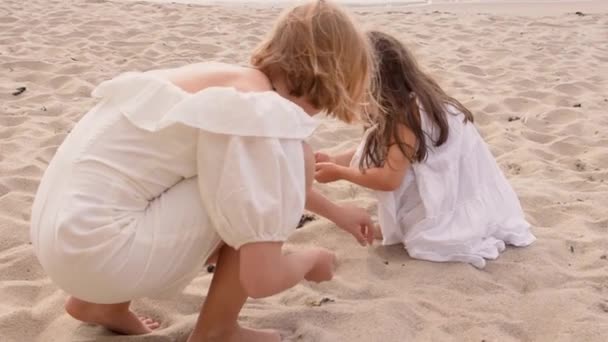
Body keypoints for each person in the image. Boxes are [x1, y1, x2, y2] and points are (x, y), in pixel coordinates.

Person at [29, 2, 375, 341]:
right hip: (101, 255)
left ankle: (98, 304)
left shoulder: (227, 82)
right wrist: (310, 259)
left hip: (57, 238)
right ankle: (217, 329)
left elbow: (264, 176)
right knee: (284, 168)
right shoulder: (260, 111)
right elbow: (262, 277)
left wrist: (337, 212)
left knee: (200, 179)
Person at [314, 31, 536, 269]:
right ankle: (407, 223)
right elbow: (379, 144)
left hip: (452, 192)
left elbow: (389, 180)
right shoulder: (415, 96)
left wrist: (340, 172)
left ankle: (420, 225)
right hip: (457, 181)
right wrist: (337, 159)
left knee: (421, 236)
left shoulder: (404, 119)